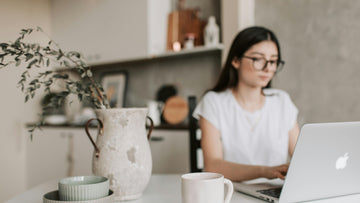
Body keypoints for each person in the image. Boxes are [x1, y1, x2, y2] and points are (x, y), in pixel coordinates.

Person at [193, 26, 300, 182]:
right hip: (232, 193)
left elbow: (301, 157)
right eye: (258, 59)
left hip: (276, 193)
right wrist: (265, 171)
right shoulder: (214, 102)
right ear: (236, 60)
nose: (268, 68)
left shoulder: (282, 101)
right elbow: (213, 166)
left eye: (273, 61)